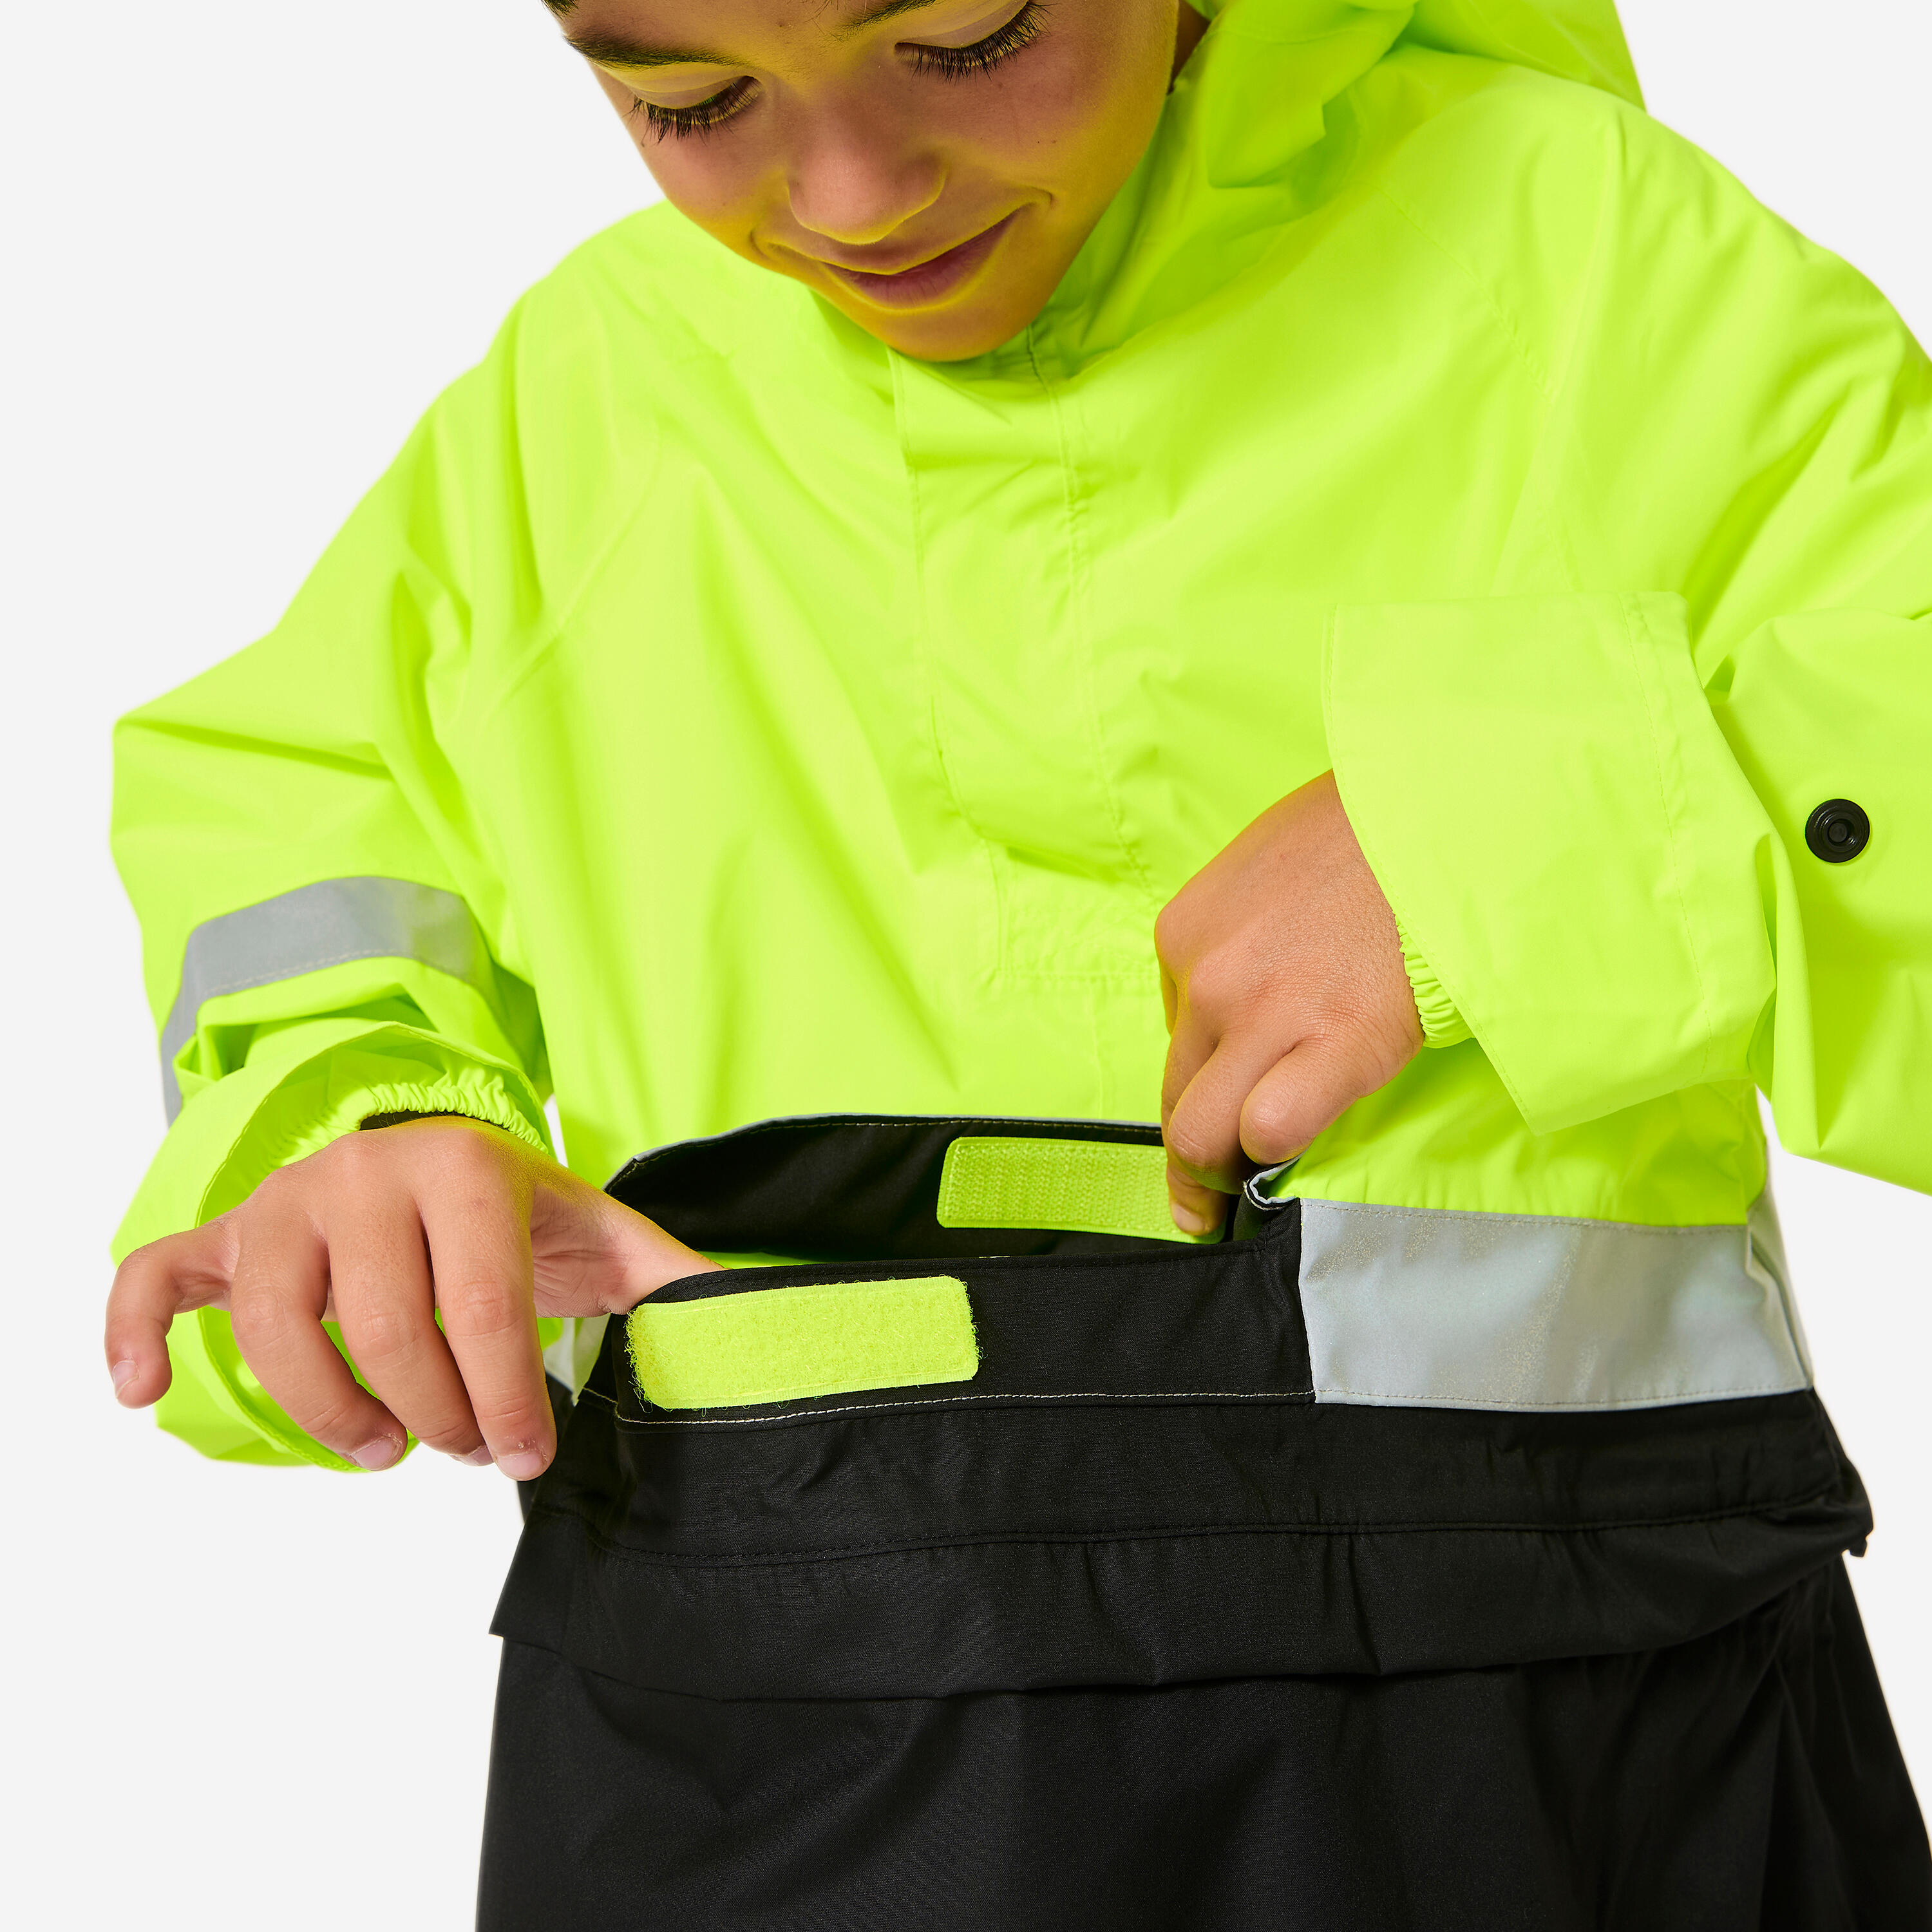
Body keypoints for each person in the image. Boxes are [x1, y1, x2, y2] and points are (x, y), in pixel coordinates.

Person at [104, 0, 1932, 1923]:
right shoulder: (587, 402)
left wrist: (1507, 831)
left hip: (1578, 1741)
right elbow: (299, 822)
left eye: (968, 38)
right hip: (755, 1750)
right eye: (686, 96)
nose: (851, 197)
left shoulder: (1590, 262)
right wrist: (369, 1132)